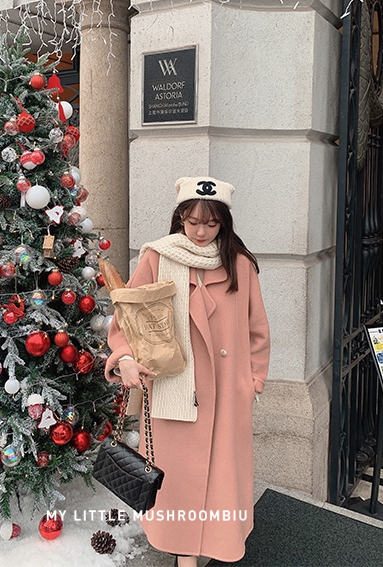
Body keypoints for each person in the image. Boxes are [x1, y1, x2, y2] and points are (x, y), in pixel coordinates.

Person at [104, 177, 271, 567]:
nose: (200, 232)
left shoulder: (240, 263)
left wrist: (252, 382)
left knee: (222, 480)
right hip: (173, 390)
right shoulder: (157, 258)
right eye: (193, 221)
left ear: (223, 223)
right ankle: (185, 554)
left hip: (227, 393)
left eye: (211, 224)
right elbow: (126, 317)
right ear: (180, 216)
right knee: (179, 480)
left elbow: (257, 328)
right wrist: (124, 358)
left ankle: (217, 543)